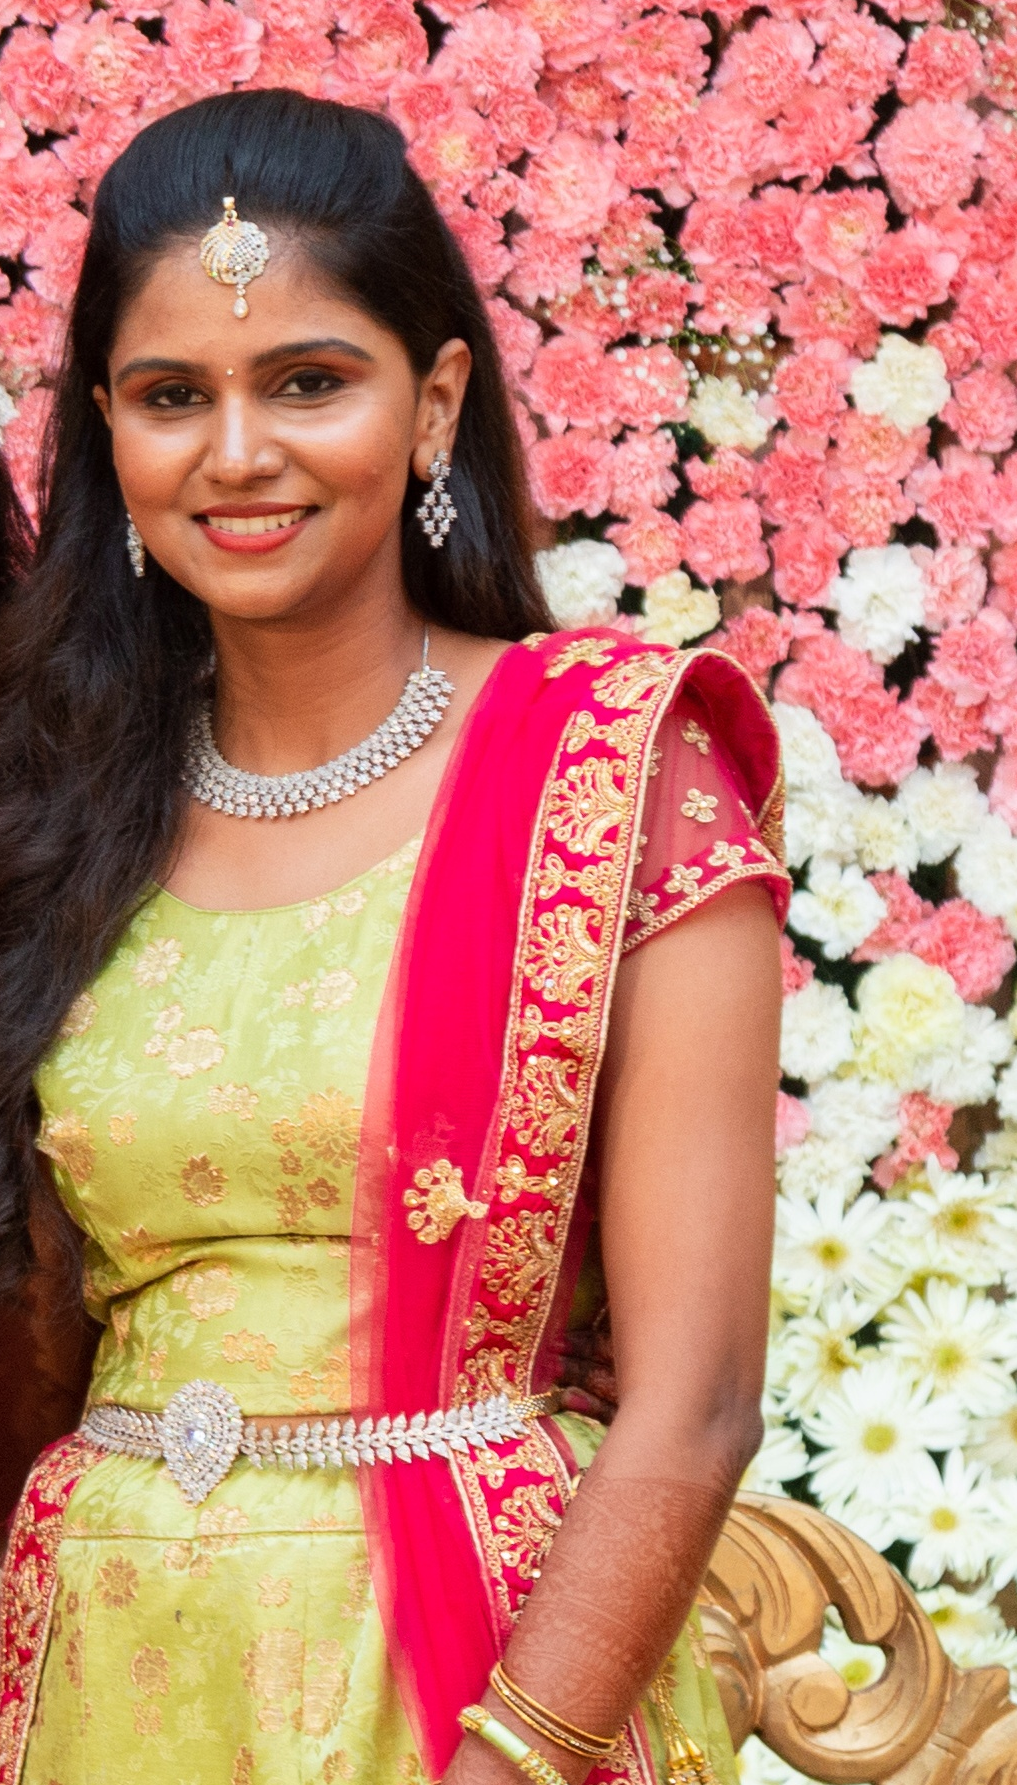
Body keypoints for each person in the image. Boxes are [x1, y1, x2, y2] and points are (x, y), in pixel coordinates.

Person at [0, 89, 789, 1785]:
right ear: (108, 431)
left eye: (308, 381)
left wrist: (514, 1758)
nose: (236, 454)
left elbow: (700, 1397)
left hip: (472, 1683)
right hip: (106, 1668)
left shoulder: (609, 771)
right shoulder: (58, 811)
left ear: (432, 404)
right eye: (172, 397)